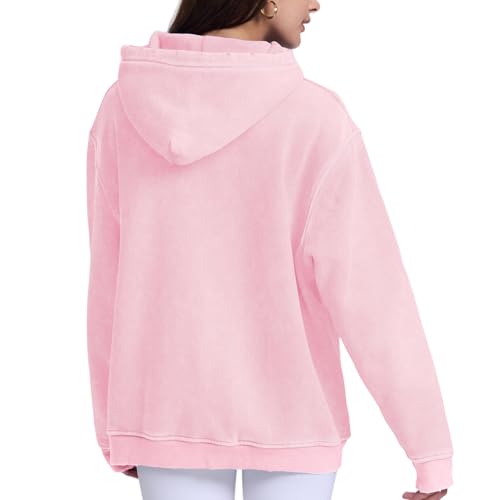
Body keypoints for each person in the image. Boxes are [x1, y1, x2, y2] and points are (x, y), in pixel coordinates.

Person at [85, 1, 453, 499]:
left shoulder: (122, 107)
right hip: (295, 420)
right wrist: (429, 452)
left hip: (162, 416)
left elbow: (109, 281)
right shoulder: (314, 117)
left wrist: (117, 429)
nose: (316, 3)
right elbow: (373, 298)